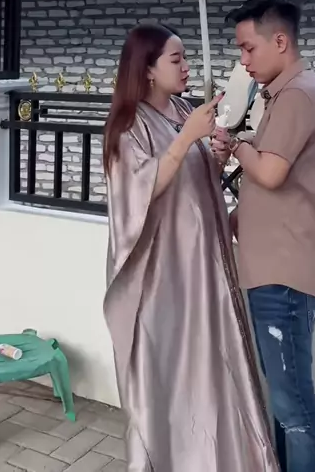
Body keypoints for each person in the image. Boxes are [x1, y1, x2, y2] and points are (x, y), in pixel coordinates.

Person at [103, 23, 279, 472]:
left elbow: (195, 181)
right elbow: (138, 192)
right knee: (176, 371)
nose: (185, 67)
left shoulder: (184, 110)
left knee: (216, 366)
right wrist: (186, 140)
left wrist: (214, 156)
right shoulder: (129, 125)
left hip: (207, 267)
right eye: (175, 59)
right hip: (167, 274)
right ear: (147, 69)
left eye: (185, 58)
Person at [212, 0, 315, 472]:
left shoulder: (297, 94)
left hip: (285, 275)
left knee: (292, 407)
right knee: (284, 403)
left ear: (279, 41)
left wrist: (236, 144)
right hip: (273, 268)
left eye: (248, 48)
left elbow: (272, 172)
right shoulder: (280, 94)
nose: (243, 61)